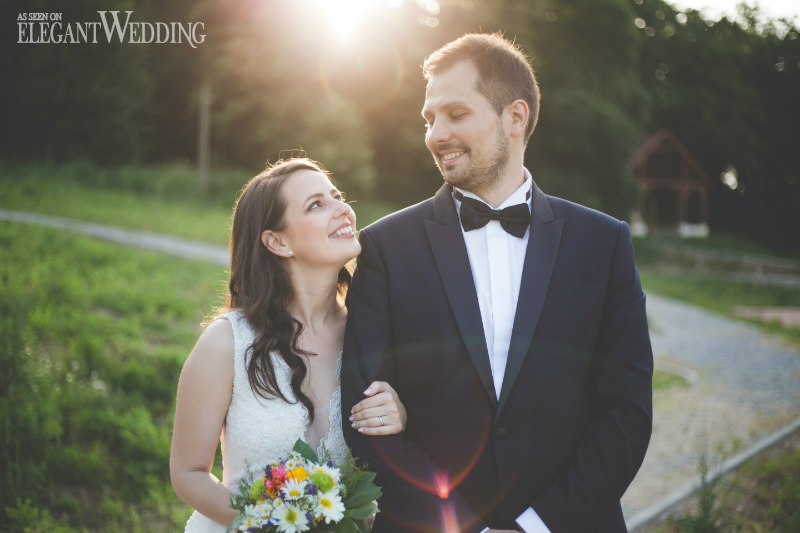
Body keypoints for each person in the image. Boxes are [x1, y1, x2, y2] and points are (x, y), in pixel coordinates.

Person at [342, 33, 653, 533]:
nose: (435, 134)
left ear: (516, 116)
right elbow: (366, 415)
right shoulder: (383, 247)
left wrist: (536, 526)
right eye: (429, 119)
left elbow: (625, 412)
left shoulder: (604, 243)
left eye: (456, 114)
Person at [171, 158, 407, 532]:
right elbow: (188, 473)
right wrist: (268, 524)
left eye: (337, 196)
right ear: (277, 242)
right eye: (317, 205)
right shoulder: (226, 343)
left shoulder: (373, 335)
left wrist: (400, 417)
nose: (343, 210)